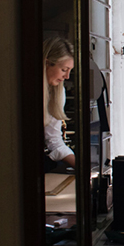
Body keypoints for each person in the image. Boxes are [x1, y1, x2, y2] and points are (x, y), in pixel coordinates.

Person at [43, 36, 76, 170]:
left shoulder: (57, 92)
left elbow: (54, 142)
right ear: (46, 63)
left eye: (70, 71)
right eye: (64, 70)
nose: (67, 77)